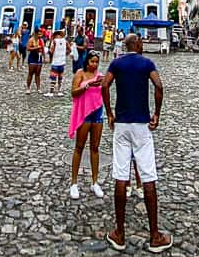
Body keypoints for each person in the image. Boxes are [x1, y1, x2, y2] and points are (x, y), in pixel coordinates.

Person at [101, 34, 172, 254]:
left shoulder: (117, 63)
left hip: (121, 124)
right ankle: (155, 236)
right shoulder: (146, 63)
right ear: (138, 45)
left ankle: (119, 233)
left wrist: (109, 113)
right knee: (148, 177)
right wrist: (157, 114)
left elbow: (104, 86)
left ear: (125, 45)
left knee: (120, 176)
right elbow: (159, 86)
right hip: (142, 124)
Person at [69, 52, 106, 200]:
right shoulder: (80, 73)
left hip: (97, 113)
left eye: (97, 62)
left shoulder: (100, 76)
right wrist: (87, 85)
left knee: (95, 147)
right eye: (92, 61)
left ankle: (95, 182)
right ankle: (74, 182)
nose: (94, 64)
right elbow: (73, 92)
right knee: (79, 147)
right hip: (84, 114)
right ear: (87, 61)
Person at [47, 30, 69, 97]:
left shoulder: (54, 41)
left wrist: (49, 53)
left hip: (55, 62)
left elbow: (51, 51)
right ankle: (59, 91)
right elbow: (69, 49)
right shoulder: (65, 41)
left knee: (53, 78)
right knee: (60, 77)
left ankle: (51, 92)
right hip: (62, 62)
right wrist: (64, 54)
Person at [26, 30, 44, 95]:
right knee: (30, 73)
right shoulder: (31, 40)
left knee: (38, 74)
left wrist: (44, 57)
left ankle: (38, 88)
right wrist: (36, 47)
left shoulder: (41, 40)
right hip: (32, 57)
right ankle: (28, 88)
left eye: (41, 34)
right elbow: (28, 48)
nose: (40, 36)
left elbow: (43, 48)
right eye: (39, 34)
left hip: (39, 57)